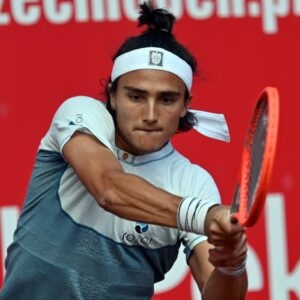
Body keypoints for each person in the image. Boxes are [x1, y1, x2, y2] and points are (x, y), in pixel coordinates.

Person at [0, 1, 248, 299]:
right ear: (113, 96)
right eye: (136, 96)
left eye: (167, 99)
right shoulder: (81, 114)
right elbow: (109, 188)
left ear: (186, 105)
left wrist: (232, 265)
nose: (151, 114)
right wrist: (203, 216)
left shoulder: (194, 183)